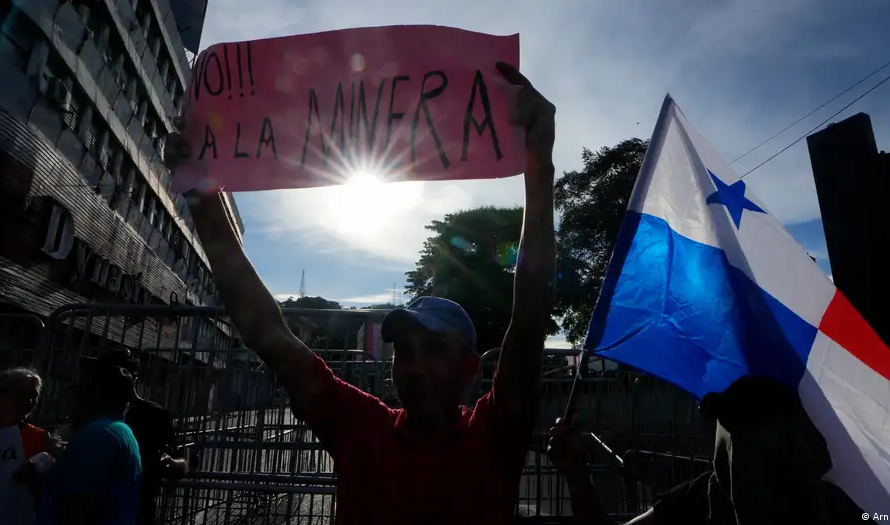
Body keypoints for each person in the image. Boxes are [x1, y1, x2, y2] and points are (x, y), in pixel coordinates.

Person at [162, 61, 556, 525]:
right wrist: (201, 198)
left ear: (472, 368)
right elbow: (268, 334)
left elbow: (529, 315)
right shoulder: (361, 426)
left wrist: (539, 162)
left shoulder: (494, 434)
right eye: (404, 351)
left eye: (434, 349)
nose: (415, 367)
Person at [547, 376, 866, 525]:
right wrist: (576, 474)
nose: (738, 447)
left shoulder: (833, 510)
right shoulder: (703, 495)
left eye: (751, 430)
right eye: (730, 428)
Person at [80, 347, 187, 525]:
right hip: (94, 506)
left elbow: (181, 465)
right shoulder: (91, 412)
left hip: (138, 507)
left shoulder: (154, 414)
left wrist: (168, 463)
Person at [36, 364, 142, 525]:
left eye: (79, 395)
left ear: (91, 397)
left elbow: (78, 506)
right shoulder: (119, 430)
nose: (73, 403)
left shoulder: (97, 434)